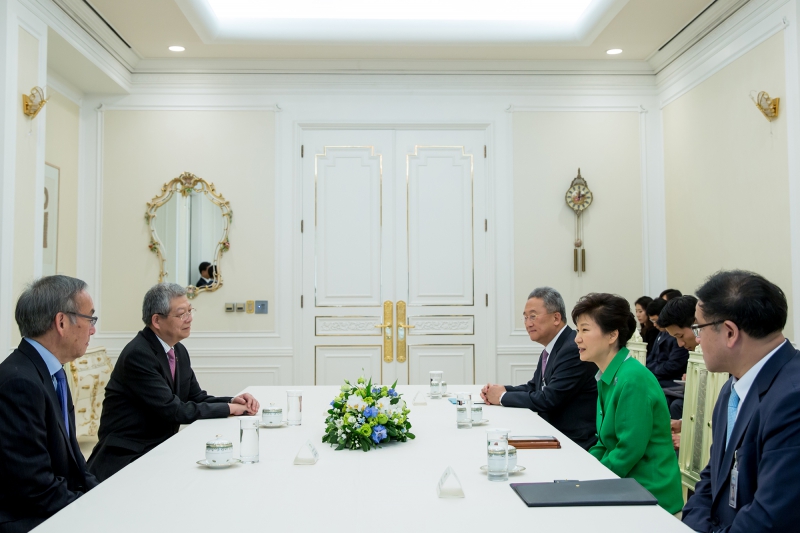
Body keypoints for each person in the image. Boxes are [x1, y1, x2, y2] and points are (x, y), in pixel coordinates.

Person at [87, 283, 260, 481]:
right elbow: (174, 410)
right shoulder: (138, 355)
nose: (189, 318)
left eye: (190, 311)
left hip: (159, 449)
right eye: (181, 314)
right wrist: (230, 409)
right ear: (157, 320)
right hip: (127, 456)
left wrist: (233, 401)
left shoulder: (178, 350)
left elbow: (196, 397)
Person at [682, 271, 800, 532]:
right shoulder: (732, 387)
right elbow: (713, 476)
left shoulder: (792, 400)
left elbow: (771, 518)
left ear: (730, 332)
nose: (697, 340)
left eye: (698, 328)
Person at [0, 276, 99, 532]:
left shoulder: (52, 371)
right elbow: (34, 487)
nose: (93, 330)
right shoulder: (19, 383)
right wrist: (94, 510)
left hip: (52, 503)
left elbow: (75, 461)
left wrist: (102, 494)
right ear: (62, 322)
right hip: (26, 519)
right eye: (90, 319)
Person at [572, 293, 683, 515]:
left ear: (612, 335)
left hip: (649, 493)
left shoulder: (632, 378)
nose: (577, 339)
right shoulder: (608, 375)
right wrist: (581, 472)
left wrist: (589, 482)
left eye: (584, 330)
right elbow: (604, 442)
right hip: (625, 483)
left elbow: (627, 451)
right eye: (577, 331)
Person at [481, 287, 598, 449]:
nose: (528, 323)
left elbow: (548, 398)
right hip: (552, 434)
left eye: (533, 316)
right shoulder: (553, 347)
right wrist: (502, 390)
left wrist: (501, 397)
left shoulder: (572, 349)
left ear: (556, 318)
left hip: (571, 442)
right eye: (525, 317)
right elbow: (534, 387)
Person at [646, 298, 689, 387]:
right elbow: (652, 356)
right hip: (658, 375)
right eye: (652, 321)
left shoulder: (677, 337)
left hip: (670, 380)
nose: (654, 324)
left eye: (655, 321)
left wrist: (651, 371)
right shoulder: (661, 333)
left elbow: (673, 365)